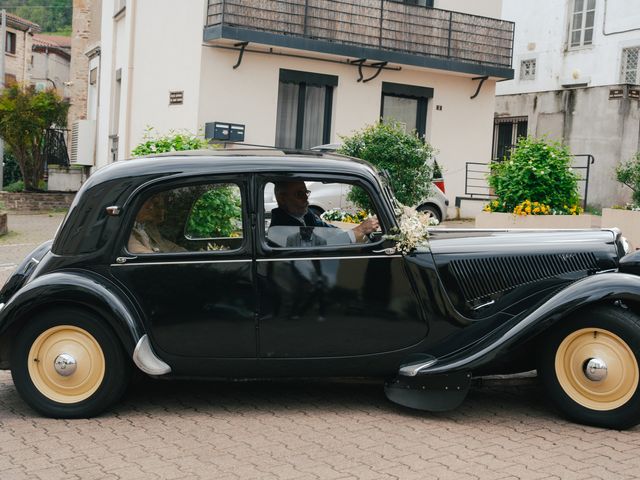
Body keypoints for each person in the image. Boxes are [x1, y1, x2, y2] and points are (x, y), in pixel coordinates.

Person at [270, 181, 379, 243]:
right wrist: (360, 230)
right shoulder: (280, 228)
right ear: (282, 199)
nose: (305, 199)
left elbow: (324, 228)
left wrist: (350, 231)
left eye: (306, 192)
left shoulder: (304, 215)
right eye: (299, 194)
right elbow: (319, 246)